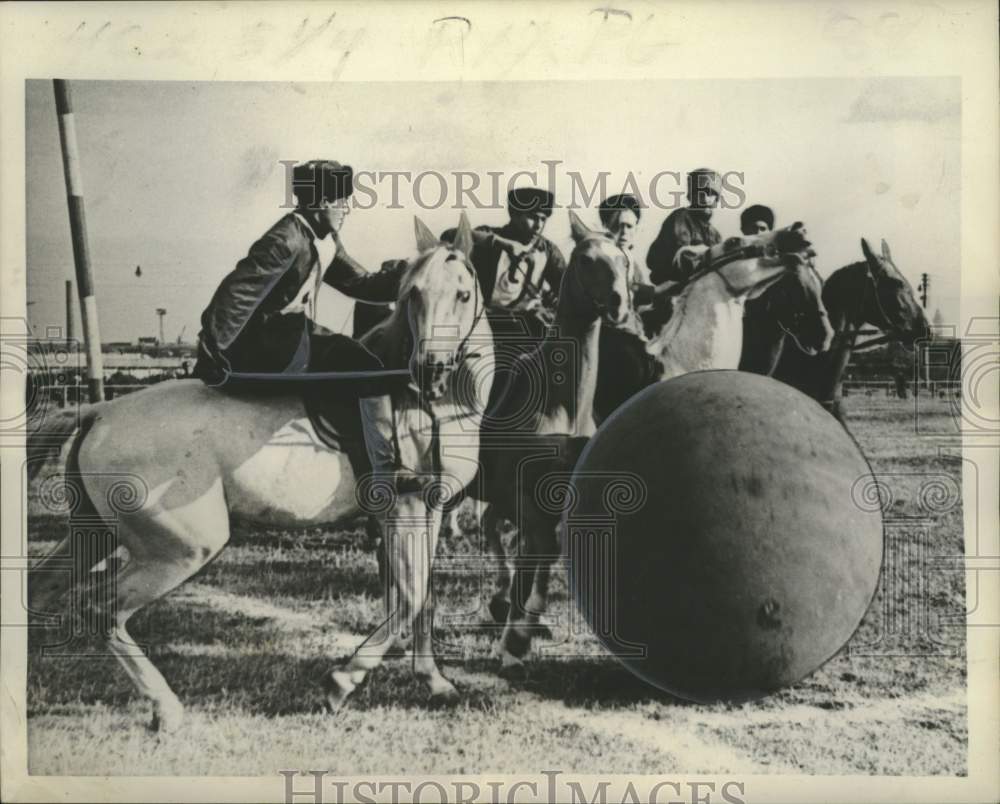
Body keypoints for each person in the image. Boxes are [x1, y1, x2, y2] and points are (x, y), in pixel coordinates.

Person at [193, 159, 420, 488]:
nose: (347, 209)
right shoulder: (285, 240)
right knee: (363, 365)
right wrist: (212, 348)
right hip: (267, 344)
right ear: (321, 203)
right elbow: (236, 292)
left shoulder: (325, 239)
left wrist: (408, 275)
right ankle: (379, 471)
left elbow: (363, 285)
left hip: (293, 334)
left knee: (361, 358)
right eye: (342, 202)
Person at [442, 187, 566, 327]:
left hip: (529, 325)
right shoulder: (489, 236)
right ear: (514, 214)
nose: (538, 225)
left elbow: (567, 288)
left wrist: (550, 309)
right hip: (485, 323)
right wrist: (500, 242)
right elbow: (450, 235)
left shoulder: (548, 250)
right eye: (532, 217)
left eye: (543, 219)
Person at [645, 167, 724, 285]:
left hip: (702, 286)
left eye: (711, 194)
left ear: (716, 199)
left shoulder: (715, 234)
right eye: (700, 193)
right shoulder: (681, 218)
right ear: (691, 196)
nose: (706, 199)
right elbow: (683, 257)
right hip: (674, 285)